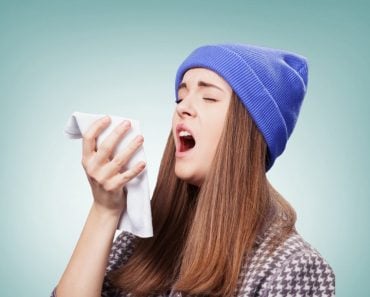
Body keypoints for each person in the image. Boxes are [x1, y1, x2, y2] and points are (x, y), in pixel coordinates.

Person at [51, 43, 335, 297]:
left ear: (249, 132)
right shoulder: (137, 245)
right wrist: (105, 210)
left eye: (209, 98)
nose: (183, 108)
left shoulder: (292, 267)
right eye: (180, 97)